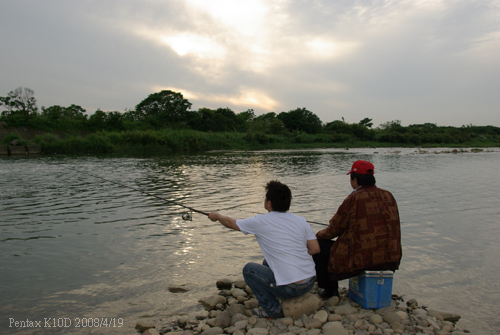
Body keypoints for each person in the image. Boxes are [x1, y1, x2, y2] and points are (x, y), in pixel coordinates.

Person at [208, 180, 320, 318]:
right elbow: (315, 249)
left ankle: (272, 309)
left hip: (291, 288)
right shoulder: (301, 220)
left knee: (249, 269)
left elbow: (231, 223)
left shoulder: (260, 221)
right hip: (309, 281)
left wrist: (217, 216)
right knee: (267, 263)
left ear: (269, 203)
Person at [313, 160, 402, 299]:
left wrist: (317, 235)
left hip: (361, 259)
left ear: (355, 180)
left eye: (351, 178)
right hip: (389, 258)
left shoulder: (353, 198)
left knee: (319, 246)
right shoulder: (388, 195)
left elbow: (334, 229)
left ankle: (330, 291)